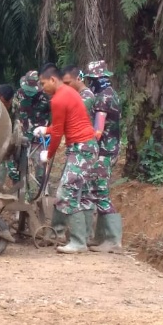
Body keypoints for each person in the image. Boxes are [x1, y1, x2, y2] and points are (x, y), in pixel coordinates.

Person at [34, 65, 98, 254]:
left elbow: (58, 134)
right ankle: (82, 237)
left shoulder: (58, 99)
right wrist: (46, 129)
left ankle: (78, 242)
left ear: (53, 80)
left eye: (43, 83)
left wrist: (49, 154)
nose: (42, 88)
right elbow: (65, 124)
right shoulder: (70, 92)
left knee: (66, 193)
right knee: (82, 194)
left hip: (81, 149)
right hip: (88, 146)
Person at [85, 60, 123, 252]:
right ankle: (100, 237)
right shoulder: (112, 95)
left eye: (91, 79)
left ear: (97, 79)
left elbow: (98, 131)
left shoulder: (102, 99)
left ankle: (113, 240)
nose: (90, 83)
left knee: (100, 192)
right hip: (111, 149)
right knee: (98, 190)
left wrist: (84, 141)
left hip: (104, 152)